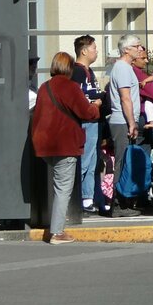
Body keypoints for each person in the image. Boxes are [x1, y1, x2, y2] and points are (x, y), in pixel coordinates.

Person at [31, 51, 100, 244]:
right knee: (63, 189)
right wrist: (96, 106)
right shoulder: (70, 87)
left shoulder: (45, 87)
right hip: (65, 144)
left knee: (57, 186)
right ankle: (57, 232)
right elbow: (86, 112)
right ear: (69, 68)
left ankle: (55, 227)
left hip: (44, 145)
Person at [106, 34, 145, 216]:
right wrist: (132, 123)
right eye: (137, 46)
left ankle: (124, 201)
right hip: (122, 121)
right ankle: (117, 203)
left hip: (124, 120)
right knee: (122, 161)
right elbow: (125, 98)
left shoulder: (125, 67)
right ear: (127, 49)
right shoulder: (122, 68)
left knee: (125, 160)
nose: (140, 49)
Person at [70, 34, 104, 213]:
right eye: (93, 48)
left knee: (92, 162)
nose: (96, 52)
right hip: (85, 122)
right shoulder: (77, 71)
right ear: (84, 51)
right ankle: (76, 197)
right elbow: (77, 96)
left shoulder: (89, 72)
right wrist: (94, 104)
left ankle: (87, 199)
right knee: (85, 160)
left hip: (93, 121)